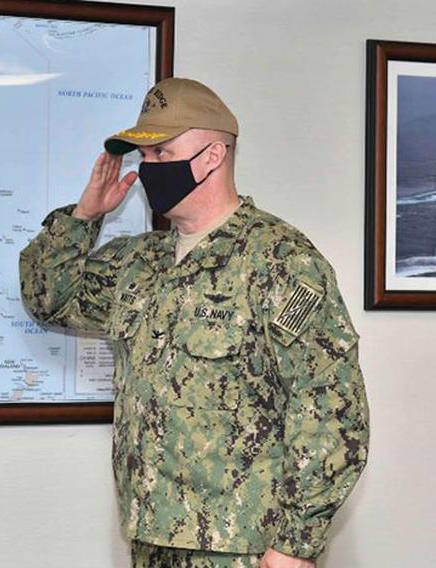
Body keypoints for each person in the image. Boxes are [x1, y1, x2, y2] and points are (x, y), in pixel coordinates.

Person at [19, 78, 369, 568]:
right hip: (151, 536)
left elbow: (331, 409)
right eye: (146, 157)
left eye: (163, 152)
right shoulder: (138, 264)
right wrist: (84, 217)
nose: (150, 169)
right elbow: (47, 298)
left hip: (243, 549)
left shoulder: (279, 261)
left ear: (212, 157)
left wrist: (295, 544)